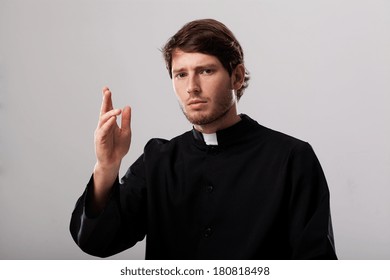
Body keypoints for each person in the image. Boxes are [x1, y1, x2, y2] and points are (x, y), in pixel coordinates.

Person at [70, 18, 337, 260]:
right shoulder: (158, 160)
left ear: (237, 76)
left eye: (206, 71)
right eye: (181, 74)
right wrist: (107, 166)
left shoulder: (291, 158)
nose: (192, 87)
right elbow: (98, 243)